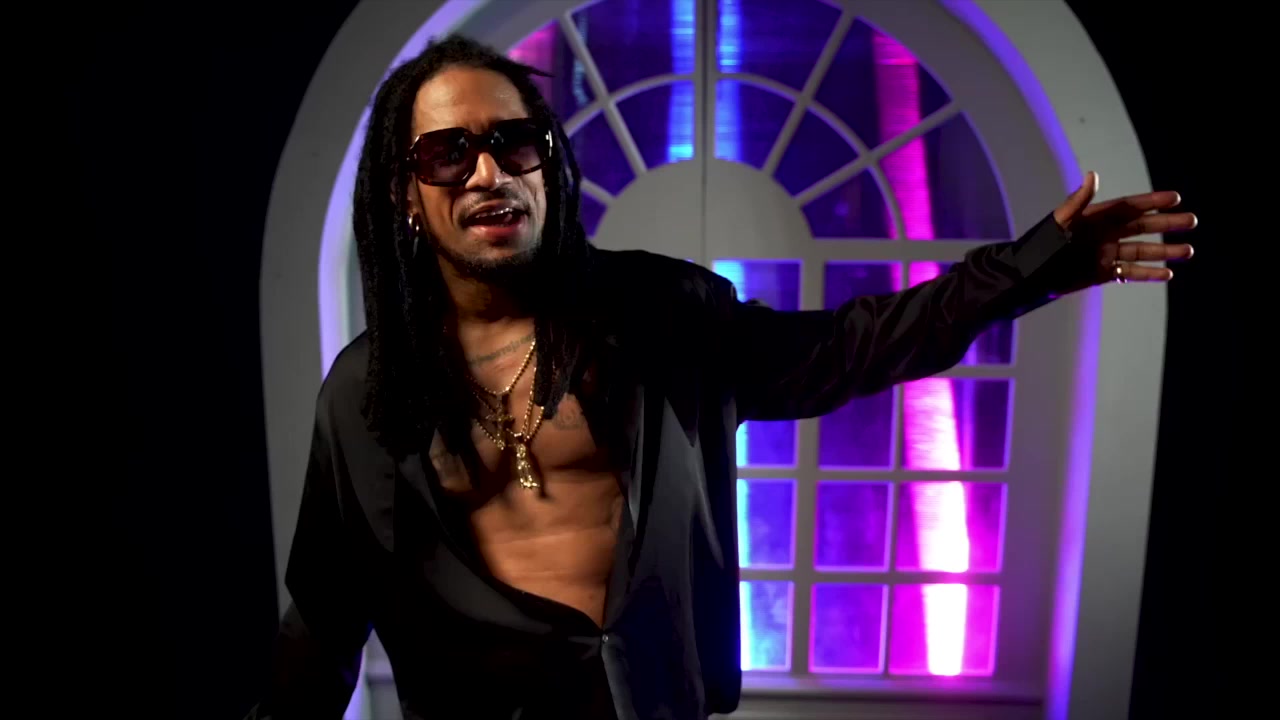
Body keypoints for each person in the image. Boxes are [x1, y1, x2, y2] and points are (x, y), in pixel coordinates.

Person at [246, 34, 1195, 720]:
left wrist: (1036, 267)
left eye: (515, 141)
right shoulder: (366, 393)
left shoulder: (659, 316)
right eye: (448, 153)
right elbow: (323, 621)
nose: (489, 172)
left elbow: (856, 346)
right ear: (407, 197)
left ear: (548, 165)